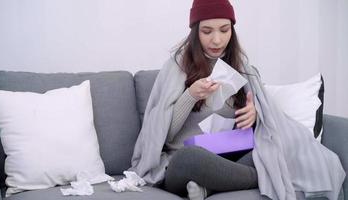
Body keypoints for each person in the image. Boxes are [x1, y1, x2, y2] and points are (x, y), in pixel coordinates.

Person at [129, 0, 345, 199]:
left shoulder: (242, 67)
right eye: (207, 31)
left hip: (229, 155)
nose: (217, 40)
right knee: (187, 159)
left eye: (224, 30)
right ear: (195, 32)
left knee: (271, 147)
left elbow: (265, 127)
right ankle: (260, 177)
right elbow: (160, 135)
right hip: (185, 159)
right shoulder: (177, 67)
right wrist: (190, 95)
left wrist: (254, 116)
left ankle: (211, 186)